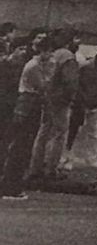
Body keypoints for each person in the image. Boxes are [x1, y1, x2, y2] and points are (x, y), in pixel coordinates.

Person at [0, 31, 51, 199]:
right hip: (10, 109)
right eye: (19, 48)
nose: (23, 52)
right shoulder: (7, 66)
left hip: (17, 110)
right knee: (14, 147)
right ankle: (9, 185)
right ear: (12, 50)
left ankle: (11, 184)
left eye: (25, 49)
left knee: (17, 148)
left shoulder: (24, 66)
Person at [27, 29, 80, 181]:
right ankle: (51, 169)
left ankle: (35, 167)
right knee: (59, 134)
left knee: (43, 132)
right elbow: (70, 81)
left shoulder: (51, 55)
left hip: (48, 96)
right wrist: (70, 97)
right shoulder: (67, 56)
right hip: (61, 99)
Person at [63, 48, 97, 170]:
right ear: (96, 59)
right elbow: (76, 84)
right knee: (73, 131)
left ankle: (91, 159)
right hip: (81, 103)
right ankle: (67, 158)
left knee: (93, 132)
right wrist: (81, 99)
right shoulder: (84, 66)